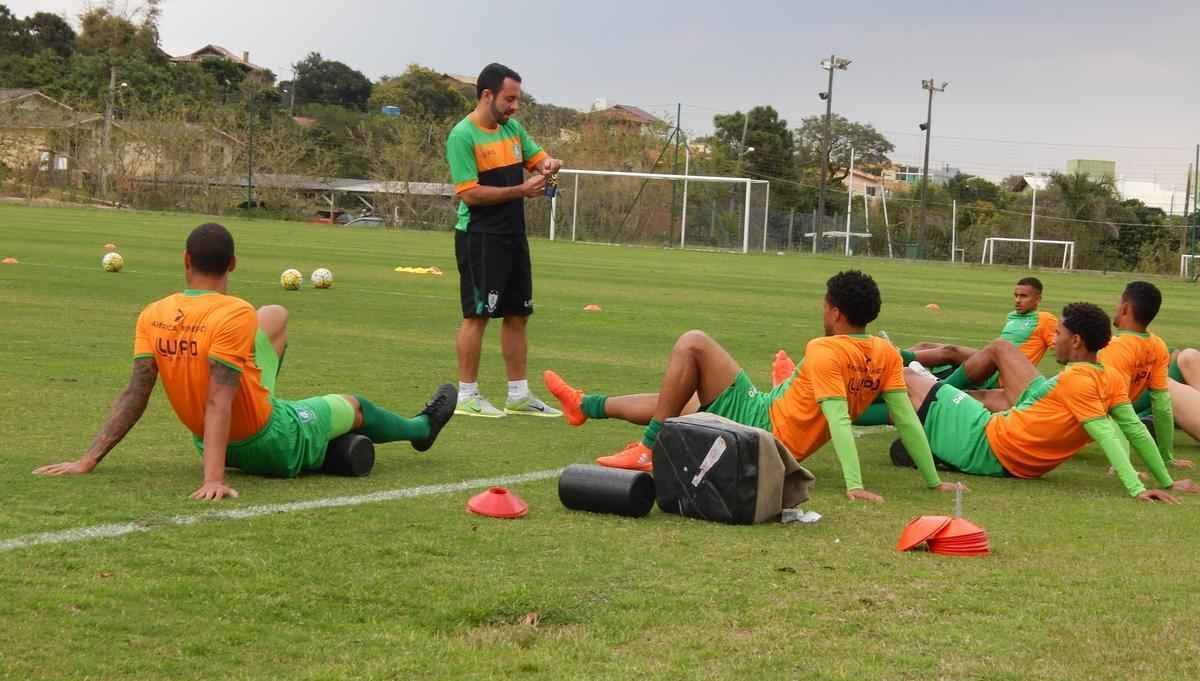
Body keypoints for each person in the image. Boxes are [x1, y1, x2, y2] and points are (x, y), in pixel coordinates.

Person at [34, 223, 457, 500]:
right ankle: (421, 429)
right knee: (355, 405)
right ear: (233, 264)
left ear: (185, 260)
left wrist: (89, 458)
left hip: (209, 439)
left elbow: (135, 393)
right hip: (270, 439)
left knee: (274, 316)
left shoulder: (153, 312)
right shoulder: (233, 311)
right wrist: (213, 479)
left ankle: (320, 443)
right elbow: (220, 399)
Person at [544, 271, 960, 502]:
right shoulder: (886, 353)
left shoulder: (824, 349)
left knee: (693, 342)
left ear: (834, 312)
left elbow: (838, 419)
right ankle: (586, 405)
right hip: (771, 422)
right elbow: (905, 419)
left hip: (761, 426)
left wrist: (855, 486)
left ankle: (648, 448)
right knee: (682, 403)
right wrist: (933, 482)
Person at [892, 302, 1200, 502]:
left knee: (905, 376)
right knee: (927, 394)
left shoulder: (1075, 379)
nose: (1053, 340)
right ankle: (928, 422)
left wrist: (1137, 489)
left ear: (1076, 340)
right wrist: (1166, 481)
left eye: (1058, 333)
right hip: (1008, 449)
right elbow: (1134, 429)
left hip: (985, 443)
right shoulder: (1110, 377)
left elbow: (1107, 434)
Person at [447, 62, 563, 419]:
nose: (515, 107)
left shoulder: (512, 129)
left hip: (513, 234)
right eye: (509, 99)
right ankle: (467, 395)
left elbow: (539, 157)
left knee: (517, 314)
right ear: (487, 95)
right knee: (477, 316)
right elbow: (469, 194)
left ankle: (518, 394)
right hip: (480, 236)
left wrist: (549, 165)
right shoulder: (462, 136)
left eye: (517, 99)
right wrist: (521, 190)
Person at [1095, 281, 1190, 468]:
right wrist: (1166, 457)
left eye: (1118, 302)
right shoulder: (1157, 345)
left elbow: (1115, 408)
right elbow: (1162, 405)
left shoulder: (1114, 348)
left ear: (1125, 308)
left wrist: (1120, 464)